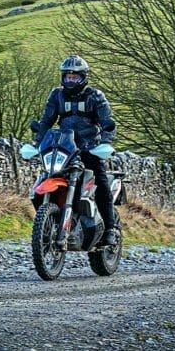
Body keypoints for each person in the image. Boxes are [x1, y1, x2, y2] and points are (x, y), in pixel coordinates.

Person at [30, 55, 120, 247]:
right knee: (44, 179)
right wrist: (38, 141)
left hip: (90, 148)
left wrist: (105, 143)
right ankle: (53, 221)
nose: (70, 80)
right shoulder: (57, 95)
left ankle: (111, 229)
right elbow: (46, 120)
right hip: (65, 147)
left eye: (75, 77)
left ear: (83, 77)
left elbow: (107, 124)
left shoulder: (95, 96)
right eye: (67, 77)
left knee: (101, 183)